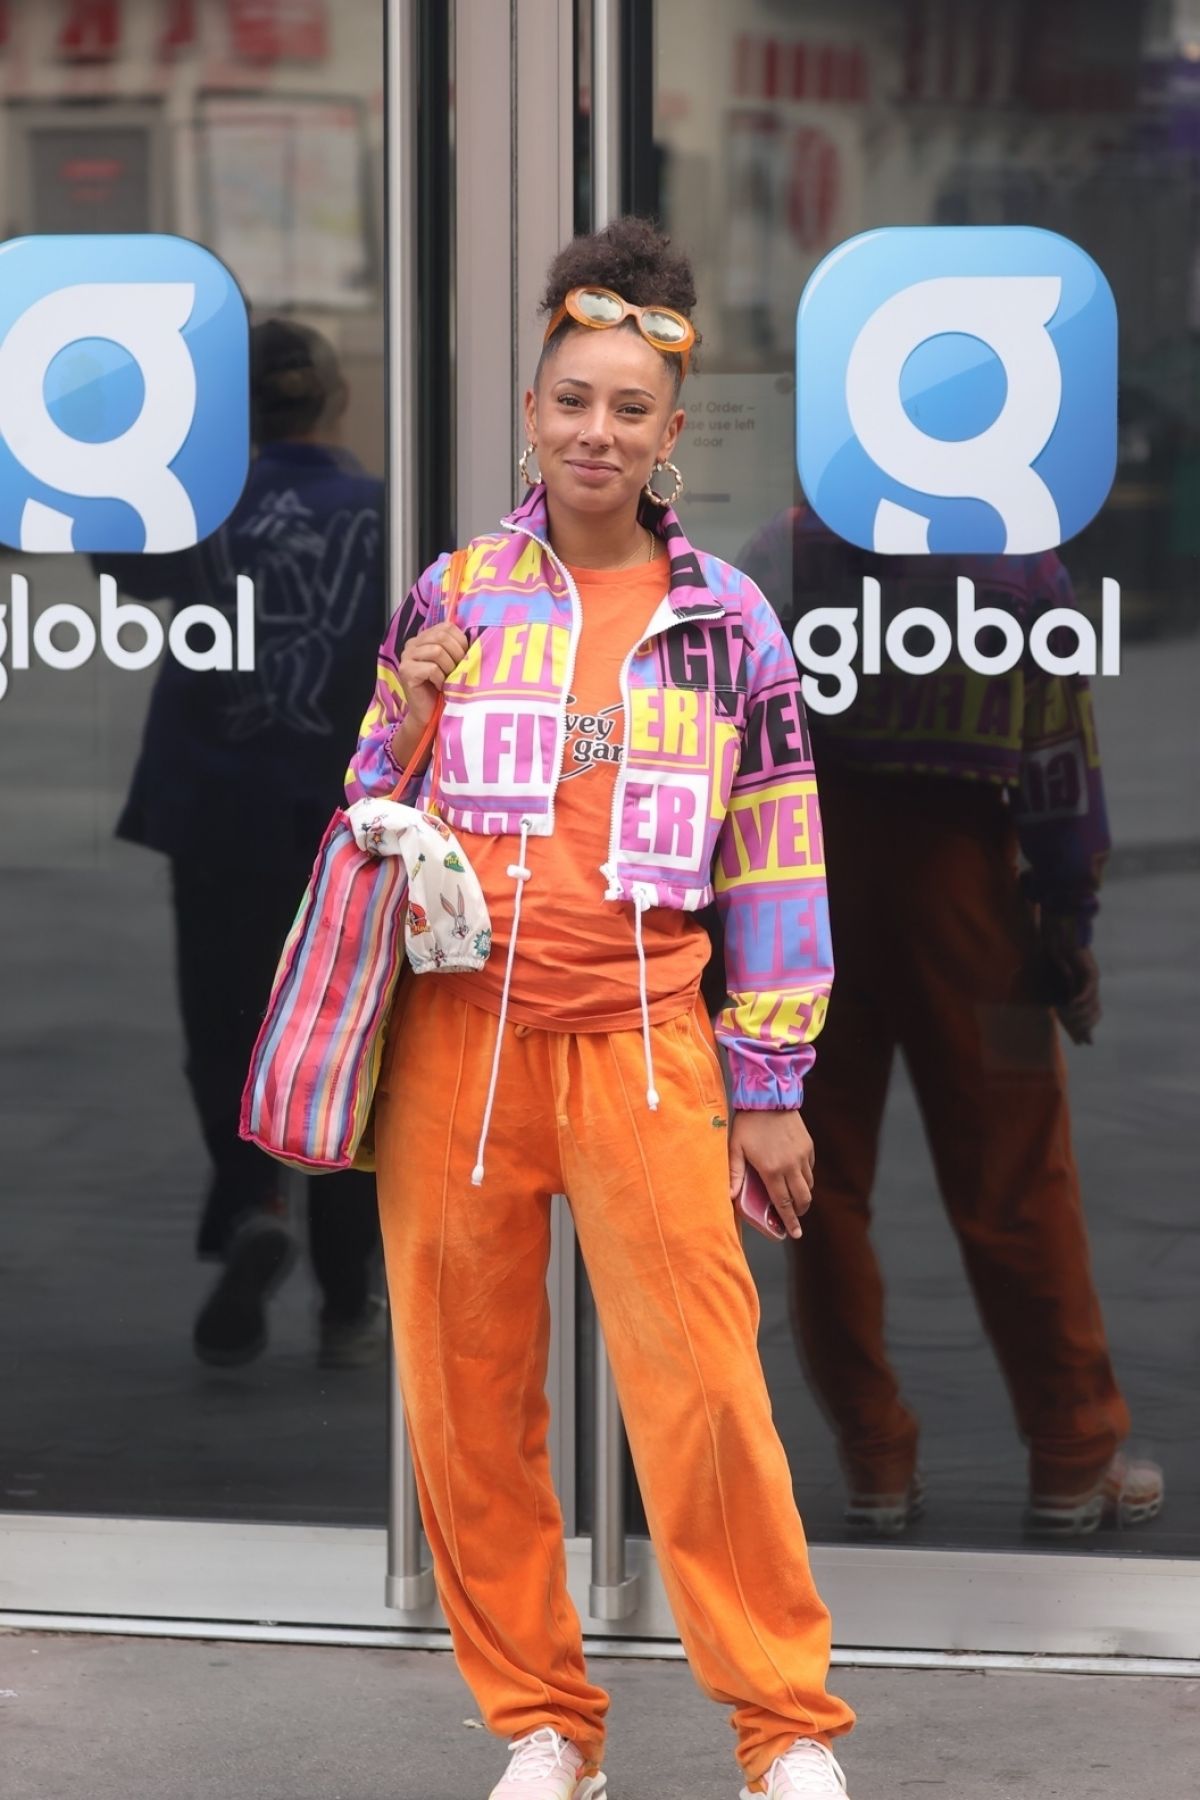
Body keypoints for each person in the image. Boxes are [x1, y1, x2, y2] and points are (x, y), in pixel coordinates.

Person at [344, 219, 856, 1799]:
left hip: (651, 1046)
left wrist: (769, 1081)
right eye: (573, 399)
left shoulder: (729, 624)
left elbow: (776, 850)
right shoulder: (459, 591)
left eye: (630, 408)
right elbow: (369, 807)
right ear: (529, 410)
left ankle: (784, 1733)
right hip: (457, 1048)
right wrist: (405, 721)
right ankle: (545, 1726)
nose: (596, 432)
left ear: (672, 435)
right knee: (467, 1404)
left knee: (702, 1399)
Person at [737, 503, 1164, 1539]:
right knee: (1017, 1175)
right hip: (969, 890)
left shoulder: (773, 556)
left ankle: (875, 1458)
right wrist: (1067, 917)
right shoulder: (1018, 571)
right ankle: (1072, 1452)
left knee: (815, 1189)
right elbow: (1061, 759)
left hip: (806, 889)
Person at [113, 320, 386, 1369]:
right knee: (351, 1052)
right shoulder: (382, 511)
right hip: (337, 826)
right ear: (336, 404)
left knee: (225, 1030)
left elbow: (119, 565)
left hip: (214, 811)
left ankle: (253, 1199)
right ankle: (345, 1303)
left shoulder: (199, 509)